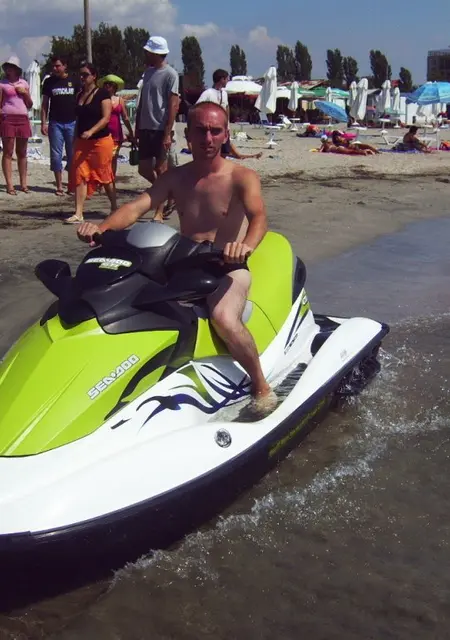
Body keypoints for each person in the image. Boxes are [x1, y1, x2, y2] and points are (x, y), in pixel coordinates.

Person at [77, 101, 277, 415]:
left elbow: (259, 217)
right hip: (182, 262)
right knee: (131, 302)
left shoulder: (242, 177)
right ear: (188, 135)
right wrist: (101, 229)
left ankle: (261, 385)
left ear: (226, 135)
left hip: (227, 265)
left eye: (215, 131)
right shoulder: (176, 177)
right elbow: (136, 207)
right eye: (201, 130)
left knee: (224, 317)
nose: (208, 138)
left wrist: (245, 247)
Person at [64, 63, 116, 224]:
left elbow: (106, 118)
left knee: (104, 175)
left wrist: (91, 131)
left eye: (85, 74)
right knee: (80, 174)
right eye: (80, 74)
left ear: (94, 76)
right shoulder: (79, 95)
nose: (82, 77)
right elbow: (78, 119)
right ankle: (78, 213)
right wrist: (75, 138)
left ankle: (114, 207)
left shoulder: (102, 94)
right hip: (82, 142)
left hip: (100, 141)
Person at [135, 36, 179, 220]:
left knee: (161, 170)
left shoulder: (170, 74)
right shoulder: (147, 73)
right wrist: (137, 126)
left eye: (148, 51)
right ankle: (169, 192)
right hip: (146, 127)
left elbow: (173, 104)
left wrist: (168, 133)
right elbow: (142, 102)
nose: (145, 54)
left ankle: (159, 211)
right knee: (144, 168)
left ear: (155, 53)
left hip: (160, 128)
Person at [41, 56, 80, 196]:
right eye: (53, 66)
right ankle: (59, 186)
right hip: (55, 123)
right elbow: (45, 104)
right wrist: (43, 122)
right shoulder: (49, 82)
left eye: (58, 66)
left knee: (72, 155)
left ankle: (71, 184)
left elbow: (80, 101)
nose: (55, 68)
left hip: (72, 122)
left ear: (65, 66)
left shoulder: (74, 80)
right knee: (56, 155)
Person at [0, 55, 33, 195]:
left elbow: (30, 104)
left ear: (16, 69)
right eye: (7, 66)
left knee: (22, 152)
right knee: (8, 152)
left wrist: (25, 94)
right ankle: (10, 185)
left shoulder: (24, 83)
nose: (9, 69)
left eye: (12, 67)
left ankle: (23, 184)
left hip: (22, 118)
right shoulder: (2, 84)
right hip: (7, 118)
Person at [99, 74, 136, 178]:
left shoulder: (120, 100)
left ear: (114, 87)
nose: (107, 86)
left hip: (116, 134)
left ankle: (111, 179)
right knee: (103, 158)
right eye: (105, 84)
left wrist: (131, 132)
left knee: (113, 158)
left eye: (109, 84)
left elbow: (125, 117)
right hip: (103, 133)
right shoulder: (100, 100)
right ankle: (104, 179)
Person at [197, 69, 231, 157]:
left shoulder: (224, 93)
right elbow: (198, 107)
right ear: (222, 79)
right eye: (227, 78)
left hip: (224, 126)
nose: (228, 80)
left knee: (225, 151)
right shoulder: (208, 93)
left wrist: (227, 123)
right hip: (212, 127)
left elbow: (226, 107)